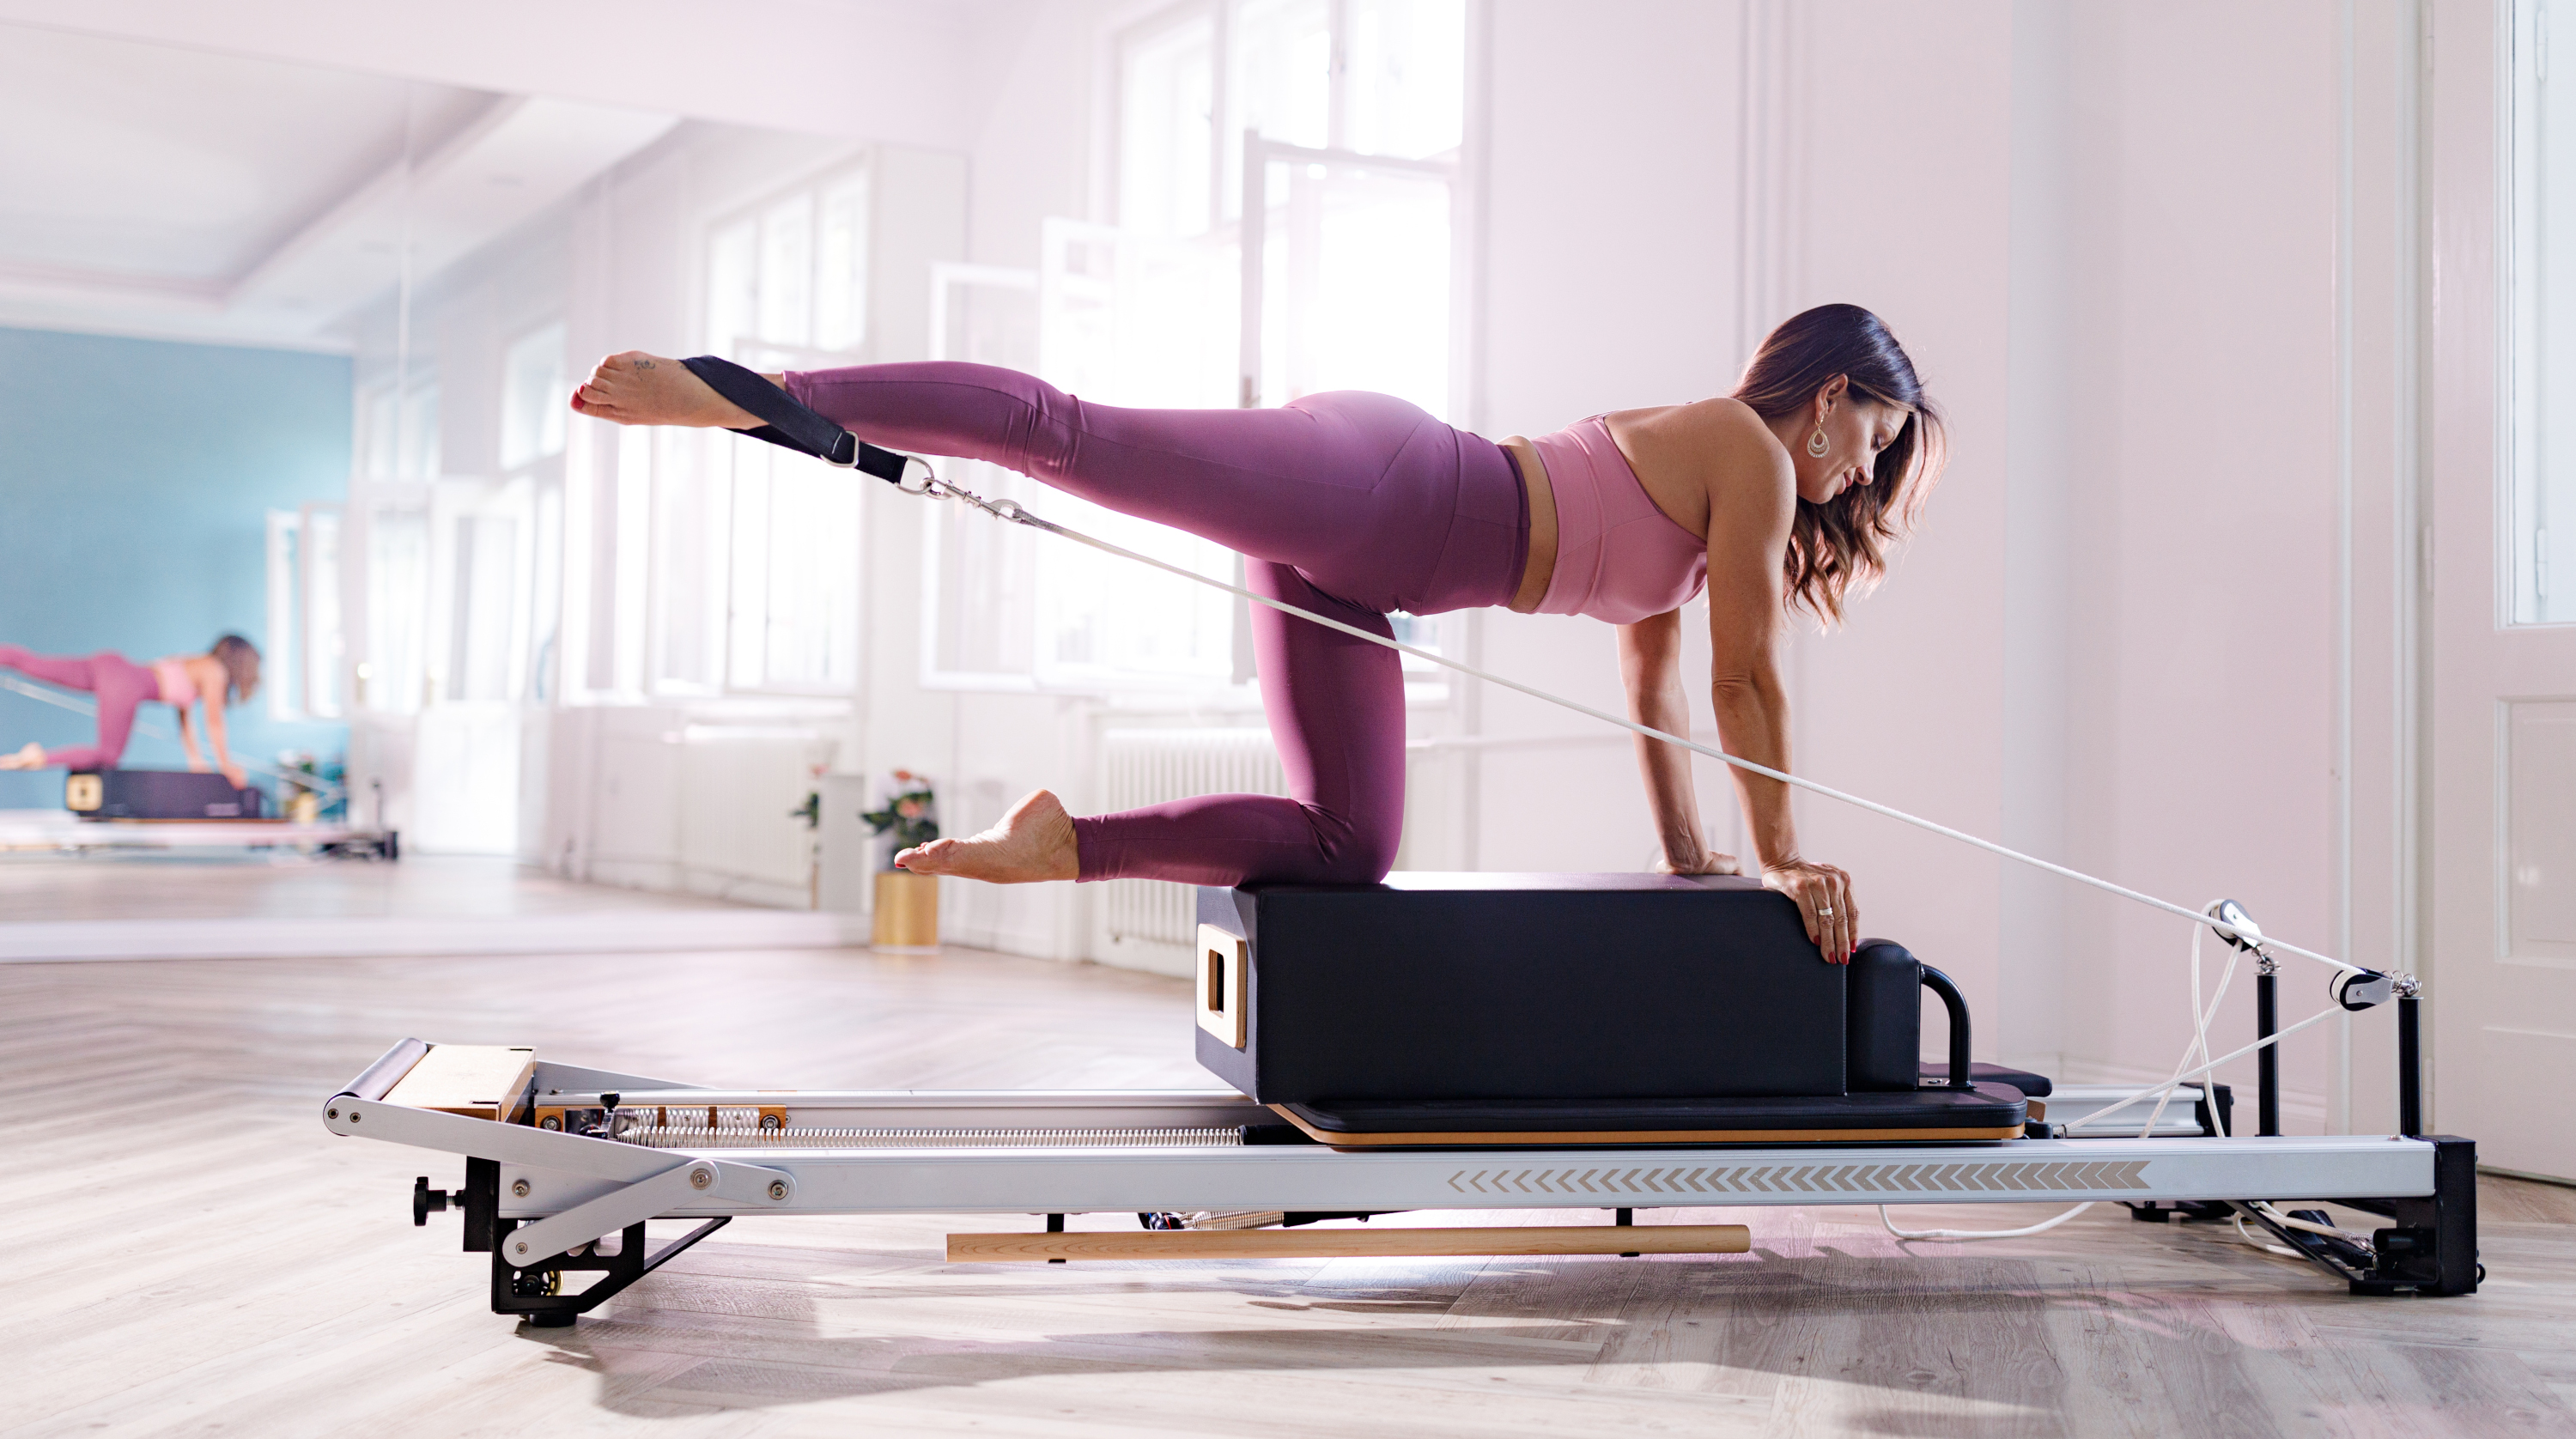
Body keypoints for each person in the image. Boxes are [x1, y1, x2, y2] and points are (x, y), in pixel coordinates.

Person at [571, 305, 1943, 965]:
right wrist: (1790, 856)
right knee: (1067, 437)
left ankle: (1068, 845)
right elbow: (1748, 678)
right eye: (1872, 444)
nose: (1858, 479)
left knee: (1354, 849)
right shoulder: (1751, 459)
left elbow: (1665, 692)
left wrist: (1698, 856)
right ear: (1829, 399)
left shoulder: (1708, 528)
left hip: (1362, 576)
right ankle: (754, 393)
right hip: (1380, 483)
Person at [0, 634, 262, 789]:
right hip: (124, 683)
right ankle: (36, 757)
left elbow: (186, 720)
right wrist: (226, 765)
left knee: (33, 663)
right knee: (107, 756)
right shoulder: (215, 671)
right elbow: (213, 722)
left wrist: (196, 760)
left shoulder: (195, 662)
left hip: (110, 666)